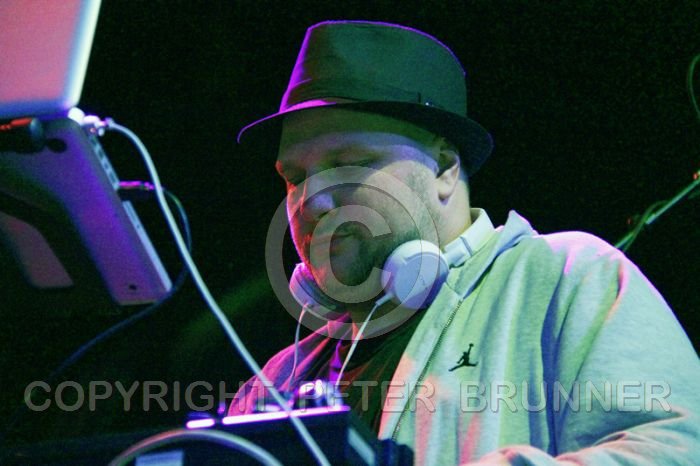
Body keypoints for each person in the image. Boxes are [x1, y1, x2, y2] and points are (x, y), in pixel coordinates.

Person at [230, 20, 700, 464]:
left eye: (348, 163)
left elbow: (676, 450)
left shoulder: (567, 277)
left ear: (443, 169)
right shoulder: (273, 383)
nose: (312, 201)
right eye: (295, 177)